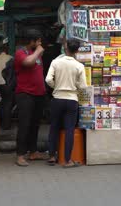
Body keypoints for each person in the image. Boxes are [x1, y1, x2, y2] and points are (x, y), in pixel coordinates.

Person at [45, 39, 87, 168]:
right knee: (69, 129)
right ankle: (68, 160)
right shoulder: (79, 66)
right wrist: (75, 86)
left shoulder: (55, 62)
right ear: (77, 50)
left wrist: (56, 86)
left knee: (54, 127)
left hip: (57, 98)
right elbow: (84, 86)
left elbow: (48, 79)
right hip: (72, 100)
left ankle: (52, 156)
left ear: (65, 47)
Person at [14, 29, 48, 167]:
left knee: (35, 124)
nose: (40, 43)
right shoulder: (20, 53)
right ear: (31, 41)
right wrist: (39, 51)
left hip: (39, 94)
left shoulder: (36, 53)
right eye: (38, 40)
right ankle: (20, 155)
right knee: (24, 125)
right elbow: (28, 63)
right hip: (25, 94)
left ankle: (33, 152)